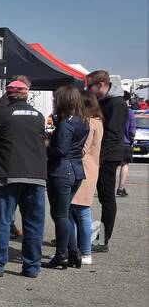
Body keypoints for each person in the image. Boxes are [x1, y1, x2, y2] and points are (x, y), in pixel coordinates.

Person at [0, 76, 48, 277]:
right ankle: (32, 267)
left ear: (8, 94)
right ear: (26, 95)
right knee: (34, 224)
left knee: (3, 222)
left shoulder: (0, 115)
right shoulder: (39, 115)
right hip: (36, 176)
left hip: (8, 174)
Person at [43, 85, 88, 270]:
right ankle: (73, 253)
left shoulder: (66, 124)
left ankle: (62, 255)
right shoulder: (82, 120)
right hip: (76, 169)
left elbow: (60, 150)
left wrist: (45, 144)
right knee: (66, 213)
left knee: (59, 214)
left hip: (62, 171)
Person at [85, 70, 128, 251]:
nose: (88, 90)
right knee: (82, 197)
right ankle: (74, 235)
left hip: (107, 158)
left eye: (90, 87)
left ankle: (103, 240)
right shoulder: (104, 101)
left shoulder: (116, 103)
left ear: (101, 84)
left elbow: (112, 135)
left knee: (106, 198)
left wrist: (98, 160)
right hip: (97, 156)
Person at [68, 93, 104, 267]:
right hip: (91, 168)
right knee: (82, 212)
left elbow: (81, 149)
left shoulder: (88, 123)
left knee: (77, 213)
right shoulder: (98, 121)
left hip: (81, 168)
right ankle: (83, 251)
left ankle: (79, 251)